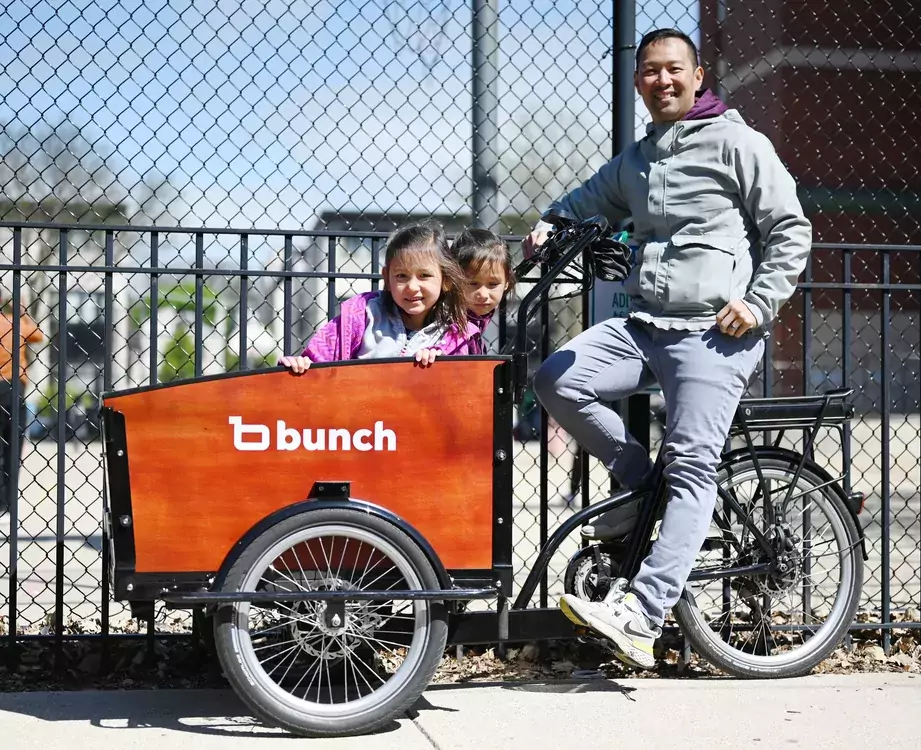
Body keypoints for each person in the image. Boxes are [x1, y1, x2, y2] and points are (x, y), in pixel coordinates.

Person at [525, 28, 813, 668]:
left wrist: (758, 301)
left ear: (699, 73)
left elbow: (790, 229)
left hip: (717, 331)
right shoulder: (637, 160)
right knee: (556, 379)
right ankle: (637, 488)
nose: (663, 81)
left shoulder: (741, 143)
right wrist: (549, 223)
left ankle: (643, 613)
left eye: (674, 69)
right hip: (647, 323)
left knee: (692, 463)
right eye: (650, 71)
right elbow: (580, 203)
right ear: (639, 83)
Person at [279, 221, 479, 373]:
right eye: (401, 276)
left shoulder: (457, 336)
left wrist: (441, 368)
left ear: (445, 280)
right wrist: (301, 365)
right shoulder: (361, 316)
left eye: (424, 276)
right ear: (386, 278)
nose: (412, 286)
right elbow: (318, 362)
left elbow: (463, 393)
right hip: (362, 425)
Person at [0, 298, 44, 515]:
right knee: (13, 446)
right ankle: (9, 503)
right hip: (13, 386)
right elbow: (38, 335)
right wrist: (23, 311)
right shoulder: (15, 324)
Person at [447, 227, 515, 354]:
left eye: (493, 284)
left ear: (506, 283)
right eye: (473, 283)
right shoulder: (448, 326)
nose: (483, 294)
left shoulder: (476, 318)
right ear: (453, 280)